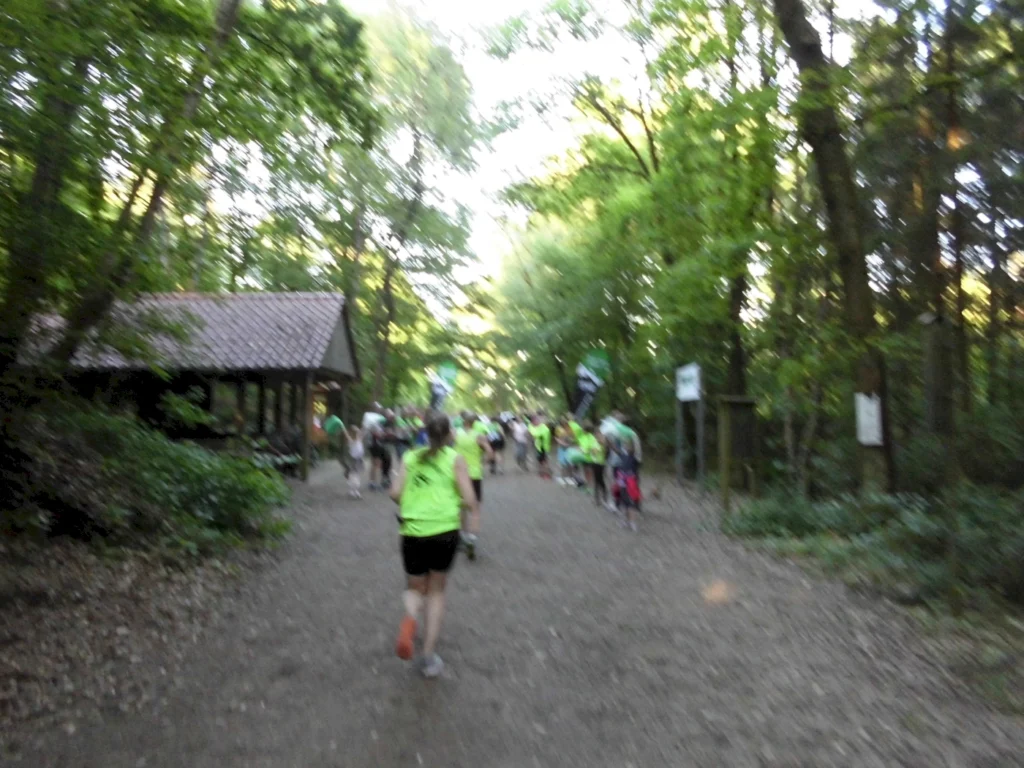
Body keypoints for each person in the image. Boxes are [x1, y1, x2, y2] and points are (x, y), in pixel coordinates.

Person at [389, 413, 479, 678]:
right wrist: (455, 504)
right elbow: (470, 499)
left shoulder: (410, 457)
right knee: (437, 591)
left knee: (415, 586)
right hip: (444, 530)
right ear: (449, 433)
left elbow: (394, 493)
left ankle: (410, 620)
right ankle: (428, 656)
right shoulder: (455, 459)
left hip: (412, 529)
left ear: (426, 433)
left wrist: (415, 501)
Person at [454, 413, 494, 559]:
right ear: (474, 422)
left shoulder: (455, 433)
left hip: (459, 473)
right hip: (474, 473)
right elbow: (490, 452)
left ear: (463, 422)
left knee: (461, 506)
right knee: (475, 508)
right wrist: (484, 462)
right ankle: (472, 538)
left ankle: (462, 536)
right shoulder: (479, 435)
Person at [579, 421, 608, 507]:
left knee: (600, 480)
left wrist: (590, 450)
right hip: (594, 462)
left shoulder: (602, 442)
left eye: (598, 433)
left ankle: (604, 494)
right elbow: (591, 449)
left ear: (600, 434)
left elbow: (596, 451)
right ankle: (597, 499)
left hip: (600, 464)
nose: (596, 435)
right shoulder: (595, 441)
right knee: (596, 481)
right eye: (595, 433)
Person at [528, 414, 552, 479]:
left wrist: (533, 431)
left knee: (545, 461)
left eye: (535, 421)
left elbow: (536, 434)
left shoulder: (543, 427)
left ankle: (547, 474)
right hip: (538, 446)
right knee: (540, 461)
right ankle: (541, 472)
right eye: (533, 421)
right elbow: (533, 433)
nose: (534, 423)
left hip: (543, 447)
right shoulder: (536, 427)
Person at [345, 424, 364, 498]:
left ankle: (355, 490)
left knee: (357, 474)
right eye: (356, 433)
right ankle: (353, 490)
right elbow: (347, 434)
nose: (358, 434)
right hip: (354, 460)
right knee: (354, 475)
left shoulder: (359, 439)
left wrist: (358, 430)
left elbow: (361, 433)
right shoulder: (351, 441)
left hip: (359, 459)